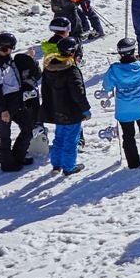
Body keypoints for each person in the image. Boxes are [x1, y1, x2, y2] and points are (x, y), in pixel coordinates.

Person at [103, 39, 140, 169]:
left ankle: (133, 163)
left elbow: (107, 86)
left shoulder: (114, 69)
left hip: (124, 110)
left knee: (128, 136)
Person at [0, 31, 41, 172]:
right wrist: (3, 110)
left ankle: (18, 155)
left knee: (28, 129)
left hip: (16, 101)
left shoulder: (9, 60)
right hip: (4, 104)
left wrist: (29, 59)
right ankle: (7, 163)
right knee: (4, 136)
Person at [42, 36, 92, 176]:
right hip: (71, 112)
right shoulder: (71, 70)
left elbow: (45, 90)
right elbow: (78, 93)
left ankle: (56, 164)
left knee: (59, 137)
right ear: (72, 52)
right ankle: (69, 167)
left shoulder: (49, 67)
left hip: (56, 110)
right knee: (71, 140)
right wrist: (85, 109)